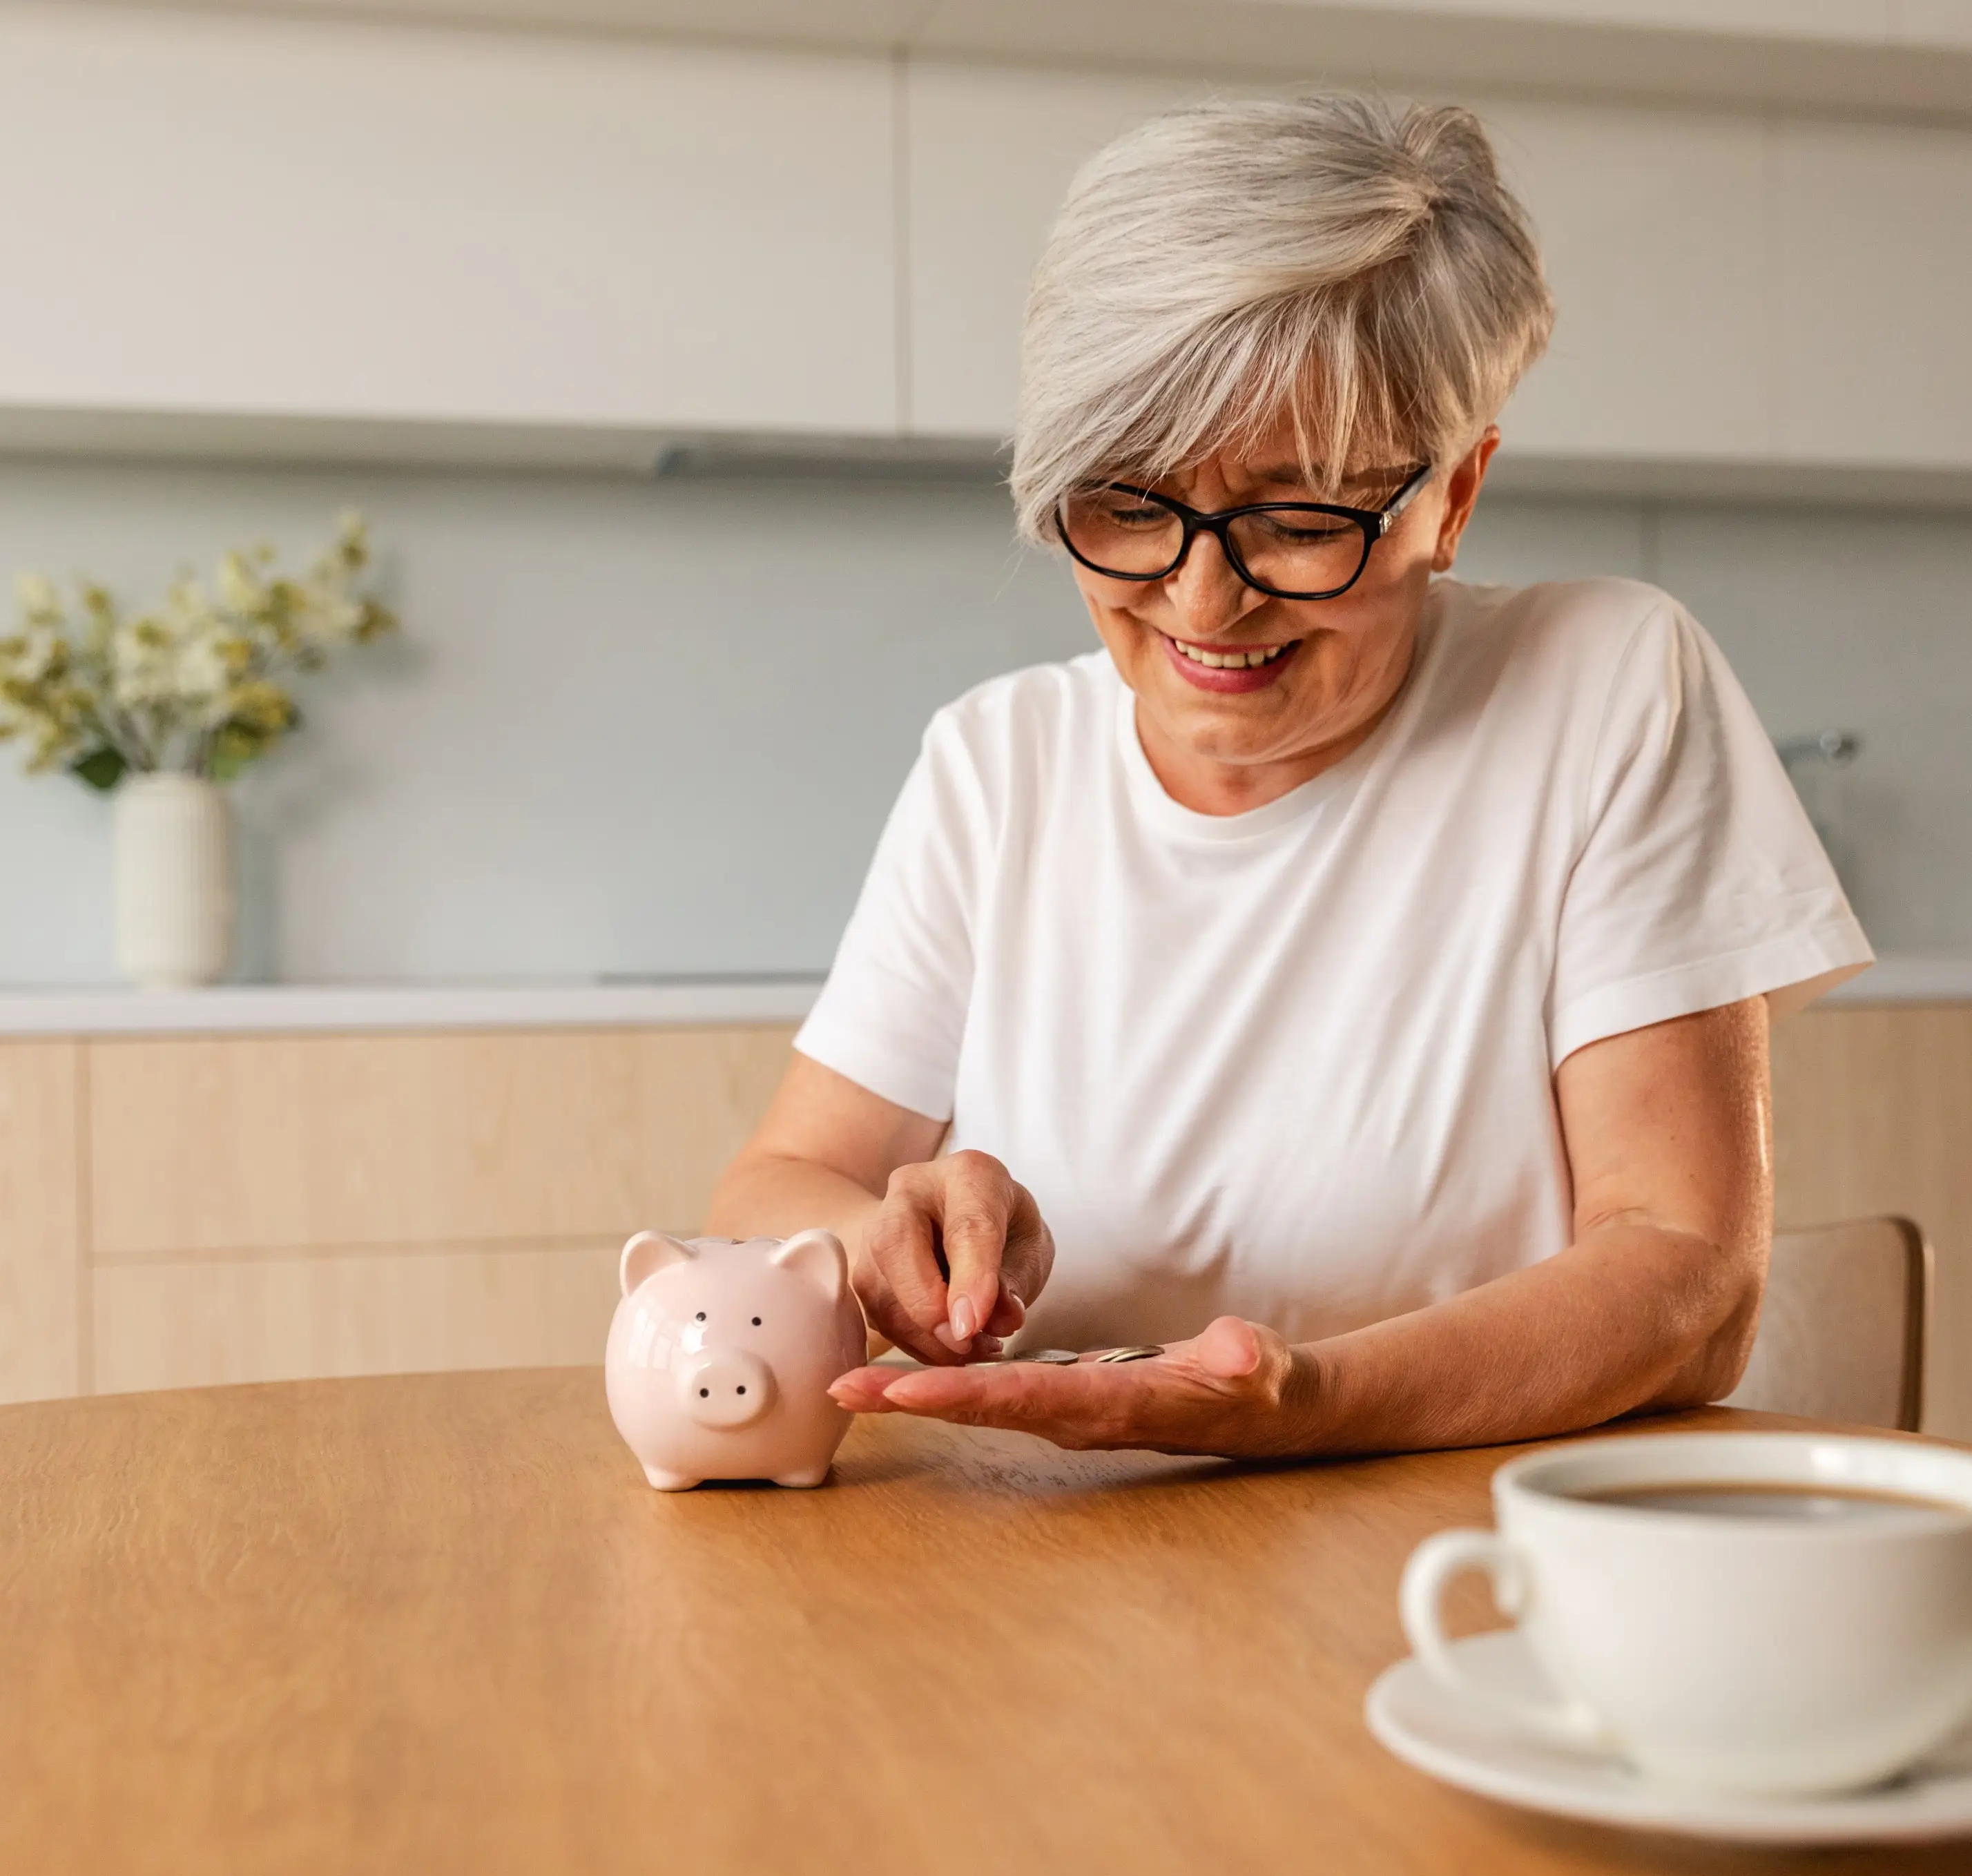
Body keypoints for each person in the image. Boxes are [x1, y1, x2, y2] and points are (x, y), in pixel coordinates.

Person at [708, 93, 1868, 1458]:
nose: (1204, 598)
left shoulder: (1602, 685)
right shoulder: (996, 760)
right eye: (1130, 503)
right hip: (1037, 1566)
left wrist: (1299, 1399)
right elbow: (770, 1190)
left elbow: (1687, 1275)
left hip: (1453, 1558)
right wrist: (880, 1229)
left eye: (1299, 518)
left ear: (1456, 492)